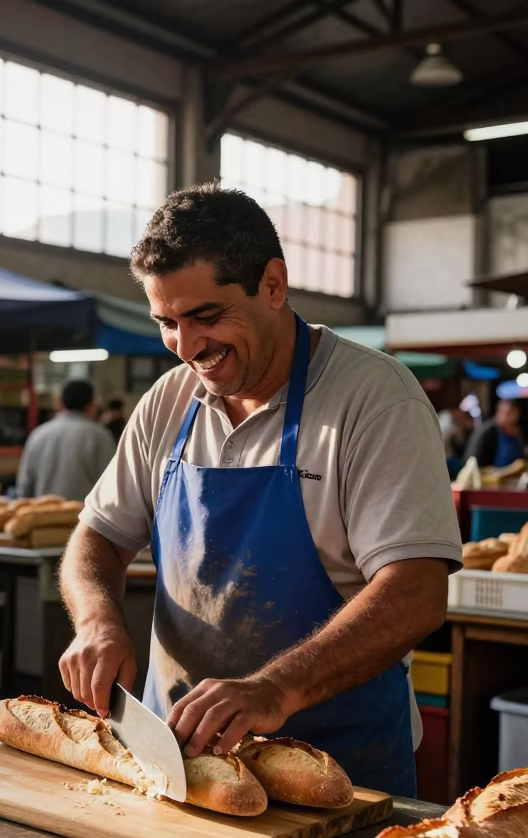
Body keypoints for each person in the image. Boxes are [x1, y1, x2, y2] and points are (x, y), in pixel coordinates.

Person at [57, 184, 461, 796]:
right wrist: (96, 621)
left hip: (339, 771)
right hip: (177, 760)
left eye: (207, 317)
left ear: (273, 284)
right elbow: (98, 538)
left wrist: (276, 689)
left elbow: (416, 592)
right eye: (167, 323)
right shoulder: (167, 403)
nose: (187, 348)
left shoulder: (375, 401)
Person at [16, 380, 116, 501]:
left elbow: (24, 488)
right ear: (92, 405)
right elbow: (112, 486)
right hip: (84, 517)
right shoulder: (99, 437)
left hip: (42, 516)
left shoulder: (38, 434)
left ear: (60, 402)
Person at [464, 398, 524, 468]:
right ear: (499, 412)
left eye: (515, 415)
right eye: (508, 414)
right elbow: (474, 462)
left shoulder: (516, 433)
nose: (512, 419)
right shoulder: (487, 432)